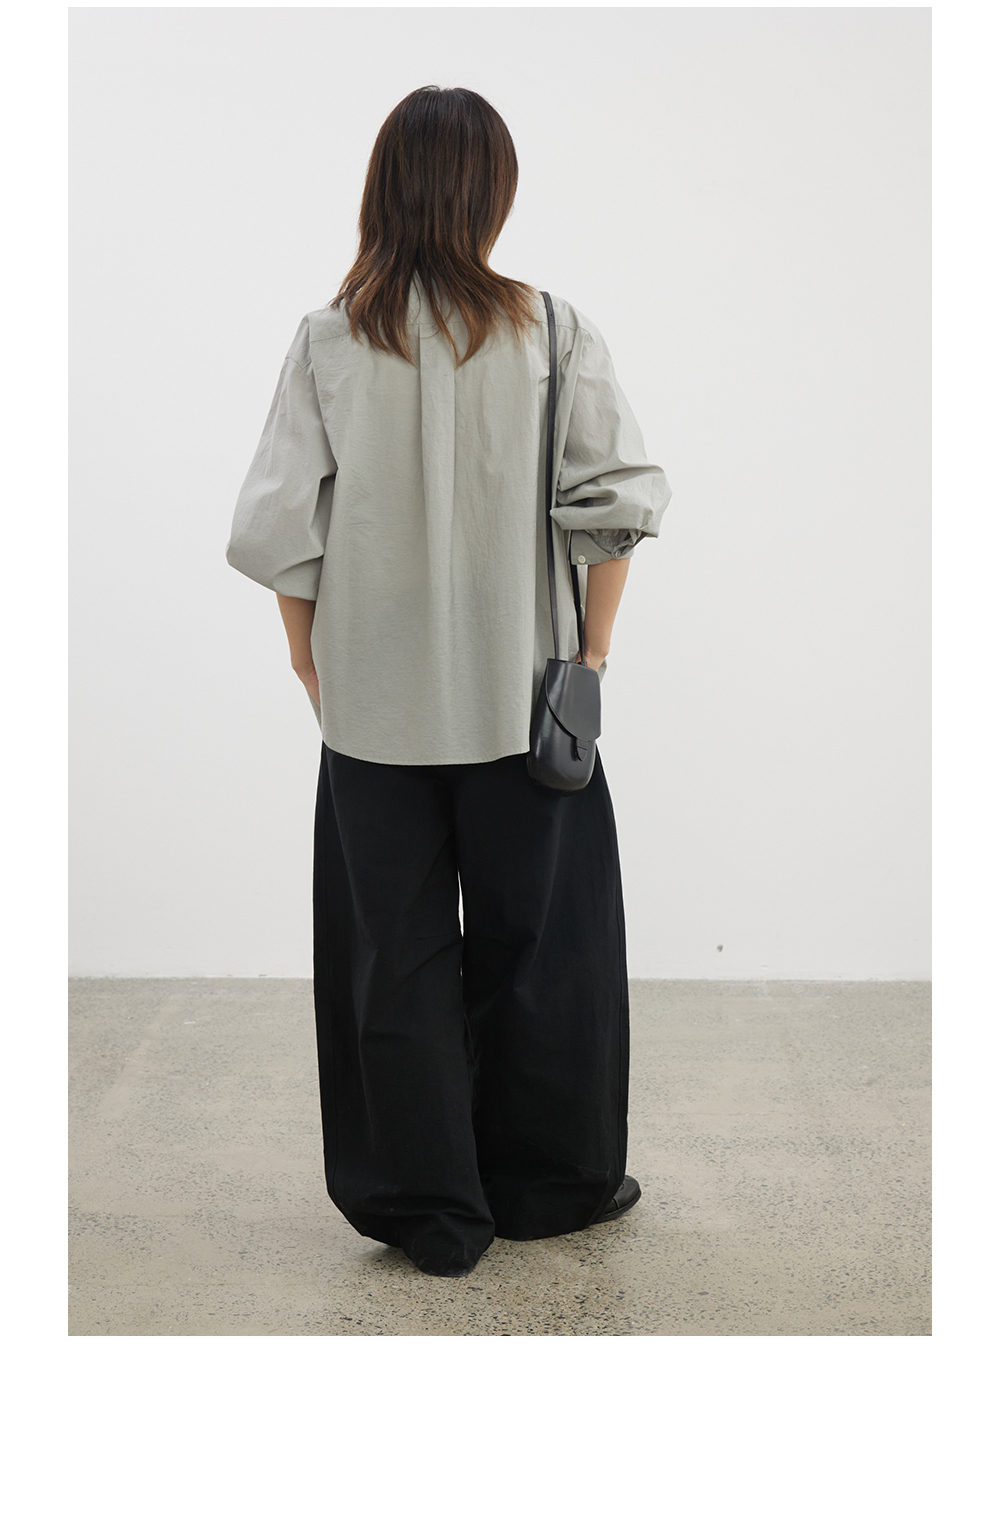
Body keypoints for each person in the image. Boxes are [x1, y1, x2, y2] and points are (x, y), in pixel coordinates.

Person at [226, 85, 670, 1278]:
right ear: (491, 192)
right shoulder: (553, 331)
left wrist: (310, 662)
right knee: (546, 955)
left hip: (372, 715)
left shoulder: (328, 339)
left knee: (393, 963)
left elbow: (279, 529)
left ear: (382, 189)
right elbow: (613, 511)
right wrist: (589, 661)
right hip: (524, 708)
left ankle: (428, 1208)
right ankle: (545, 1185)